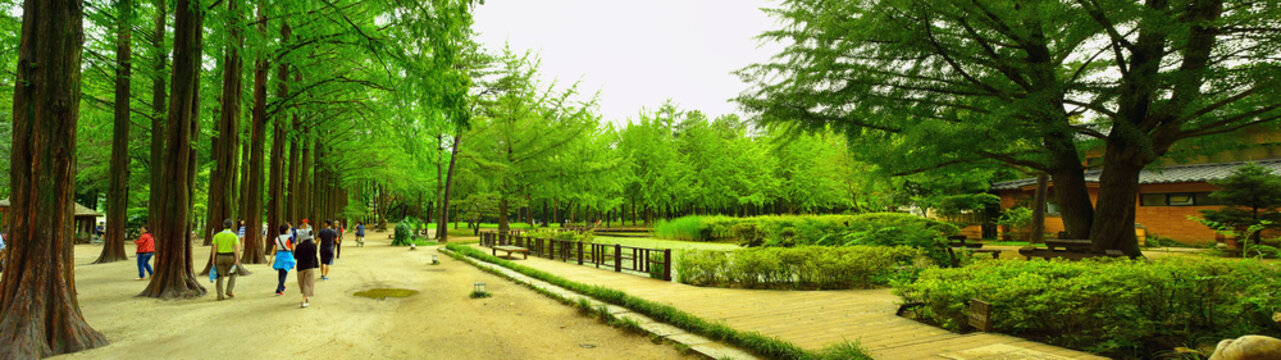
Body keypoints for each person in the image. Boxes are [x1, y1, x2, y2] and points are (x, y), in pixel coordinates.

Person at [209, 219, 241, 301]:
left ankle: (220, 295)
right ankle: (229, 290)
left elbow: (214, 248)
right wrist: (237, 258)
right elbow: (236, 248)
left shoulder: (217, 235)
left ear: (223, 225)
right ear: (232, 226)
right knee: (233, 273)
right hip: (230, 257)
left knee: (220, 276)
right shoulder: (234, 236)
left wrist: (213, 258)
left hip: (220, 257)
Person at [267, 224, 296, 296]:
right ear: (286, 231)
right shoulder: (290, 238)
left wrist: (270, 259)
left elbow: (273, 250)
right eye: (288, 229)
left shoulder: (277, 238)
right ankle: (278, 289)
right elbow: (293, 248)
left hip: (279, 256)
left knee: (280, 272)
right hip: (287, 256)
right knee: (284, 273)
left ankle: (282, 286)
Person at [294, 228, 319, 308]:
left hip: (300, 267)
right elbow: (314, 255)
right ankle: (304, 300)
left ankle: (305, 298)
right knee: (308, 283)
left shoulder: (299, 246)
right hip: (310, 266)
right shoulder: (313, 245)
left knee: (302, 283)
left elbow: (296, 256)